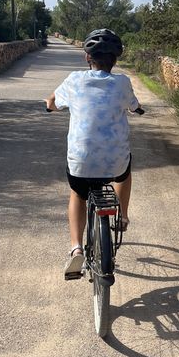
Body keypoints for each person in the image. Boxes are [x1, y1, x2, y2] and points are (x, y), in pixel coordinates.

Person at [45, 28, 141, 280]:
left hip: (81, 163)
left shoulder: (74, 81)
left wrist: (50, 105)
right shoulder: (123, 83)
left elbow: (53, 101)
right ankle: (123, 217)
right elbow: (134, 106)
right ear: (115, 60)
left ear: (87, 57)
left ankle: (76, 247)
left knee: (78, 193)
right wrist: (137, 109)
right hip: (115, 162)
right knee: (125, 172)